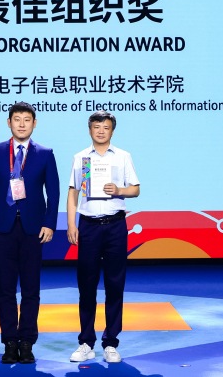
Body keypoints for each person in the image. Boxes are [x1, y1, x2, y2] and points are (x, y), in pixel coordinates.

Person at [0, 101, 60, 364]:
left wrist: (49, 224)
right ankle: (9, 342)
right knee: (5, 289)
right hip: (2, 228)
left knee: (31, 289)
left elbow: (54, 192)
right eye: (17, 119)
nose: (22, 124)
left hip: (33, 229)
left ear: (34, 123)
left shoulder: (45, 153)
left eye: (27, 120)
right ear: (9, 123)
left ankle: (27, 342)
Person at [66, 111, 140, 364]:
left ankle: (110, 343)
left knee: (114, 285)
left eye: (105, 127)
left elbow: (136, 189)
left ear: (112, 131)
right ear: (90, 130)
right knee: (86, 286)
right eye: (96, 127)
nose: (100, 131)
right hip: (88, 226)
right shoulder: (81, 157)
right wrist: (71, 224)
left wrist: (119, 190)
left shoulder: (123, 156)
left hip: (115, 226)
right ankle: (86, 342)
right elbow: (73, 192)